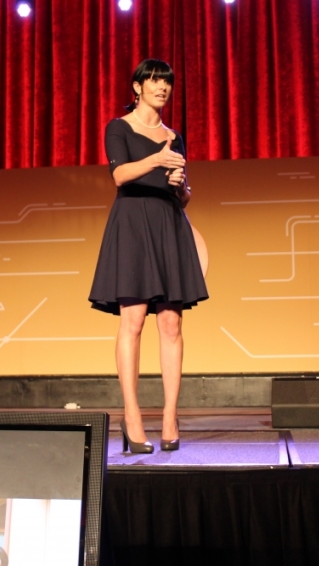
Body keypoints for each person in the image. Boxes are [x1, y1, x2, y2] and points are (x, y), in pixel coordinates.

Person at [89, 59, 208, 453]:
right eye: (154, 80)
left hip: (167, 223)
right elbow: (120, 175)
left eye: (167, 82)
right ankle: (132, 415)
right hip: (133, 225)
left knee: (172, 323)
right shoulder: (118, 128)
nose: (162, 87)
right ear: (137, 86)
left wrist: (180, 185)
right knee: (134, 320)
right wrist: (158, 159)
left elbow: (184, 196)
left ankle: (171, 417)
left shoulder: (174, 135)